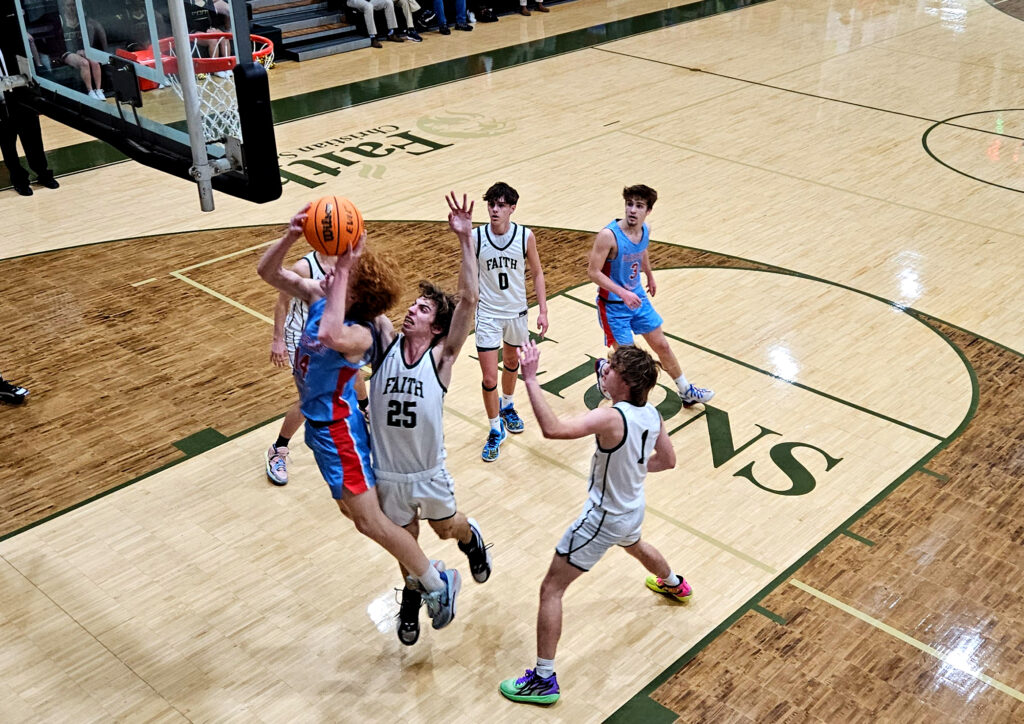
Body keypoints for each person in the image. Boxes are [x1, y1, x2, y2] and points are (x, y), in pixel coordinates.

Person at [258, 205, 460, 630]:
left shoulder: (360, 333)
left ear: (354, 295)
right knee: (355, 516)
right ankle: (422, 565)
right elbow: (269, 273)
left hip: (340, 433)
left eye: (340, 274)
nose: (329, 269)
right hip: (320, 429)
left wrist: (346, 266)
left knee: (369, 522)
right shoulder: (318, 296)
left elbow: (330, 333)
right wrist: (292, 235)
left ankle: (435, 582)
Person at [499, 341, 691, 705]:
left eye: (612, 368)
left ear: (628, 381)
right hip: (631, 507)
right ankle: (674, 584)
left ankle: (543, 679)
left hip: (601, 519)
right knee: (634, 544)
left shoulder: (610, 417)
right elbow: (667, 460)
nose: (605, 370)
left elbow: (553, 430)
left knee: (551, 590)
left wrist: (528, 379)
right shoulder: (652, 415)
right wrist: (633, 469)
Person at [370, 192, 492, 646]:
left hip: (428, 470)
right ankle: (411, 598)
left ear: (436, 327)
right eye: (413, 306)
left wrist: (464, 239)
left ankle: (472, 538)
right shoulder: (383, 340)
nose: (411, 310)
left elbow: (468, 300)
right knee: (405, 543)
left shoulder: (442, 358)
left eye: (422, 309)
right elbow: (371, 304)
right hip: (387, 471)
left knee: (445, 530)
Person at [588, 184, 714, 407]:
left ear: (648, 210)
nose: (632, 210)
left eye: (639, 206)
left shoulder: (645, 230)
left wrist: (649, 275)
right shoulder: (608, 236)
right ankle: (604, 369)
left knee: (662, 346)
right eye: (629, 204)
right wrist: (623, 293)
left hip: (637, 300)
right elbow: (593, 272)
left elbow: (641, 250)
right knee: (629, 361)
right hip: (613, 305)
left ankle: (686, 391)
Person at [265, 249, 370, 486]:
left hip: (333, 332)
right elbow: (282, 302)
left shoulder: (352, 260)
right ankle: (278, 449)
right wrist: (277, 340)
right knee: (311, 398)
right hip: (304, 335)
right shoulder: (304, 267)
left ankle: (366, 409)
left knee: (354, 373)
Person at [474, 181, 548, 462]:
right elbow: (467, 274)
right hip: (488, 315)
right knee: (489, 376)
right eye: (491, 204)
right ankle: (495, 429)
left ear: (512, 209)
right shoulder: (476, 237)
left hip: (517, 312)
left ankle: (507, 405)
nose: (494, 210)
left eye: (500, 205)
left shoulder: (525, 236)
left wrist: (543, 310)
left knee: (512, 363)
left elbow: (538, 273)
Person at [0, 90, 59, 197]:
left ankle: (43, 174)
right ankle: (19, 181)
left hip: (24, 102)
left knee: (34, 141)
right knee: (8, 147)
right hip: (1, 107)